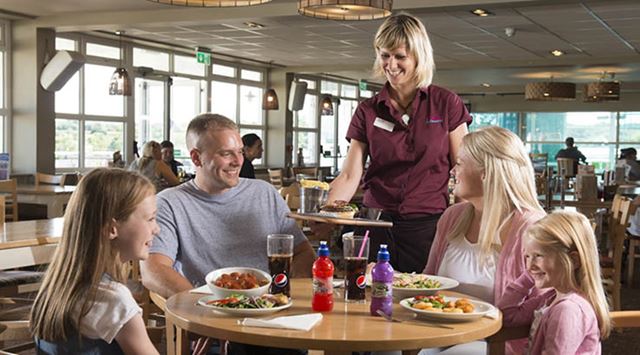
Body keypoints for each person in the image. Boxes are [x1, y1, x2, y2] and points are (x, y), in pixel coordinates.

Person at [140, 113, 315, 354]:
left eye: (240, 151)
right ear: (196, 157)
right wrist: (206, 309)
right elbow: (153, 270)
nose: (238, 161)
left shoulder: (264, 192)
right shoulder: (170, 202)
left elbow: (303, 251)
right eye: (226, 153)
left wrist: (290, 295)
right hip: (215, 325)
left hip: (274, 320)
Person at [325, 13, 471, 273]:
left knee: (421, 298)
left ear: (418, 56)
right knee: (369, 296)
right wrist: (327, 213)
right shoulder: (367, 111)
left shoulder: (446, 103)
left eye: (400, 56)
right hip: (375, 221)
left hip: (427, 225)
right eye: (384, 55)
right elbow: (350, 175)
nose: (390, 65)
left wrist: (464, 224)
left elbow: (464, 169)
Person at [424, 126, 547, 354]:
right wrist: (389, 278)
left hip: (498, 341)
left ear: (486, 172)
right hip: (438, 332)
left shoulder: (532, 227)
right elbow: (428, 281)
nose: (452, 170)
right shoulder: (452, 217)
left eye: (460, 163)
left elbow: (546, 305)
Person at [30, 168, 160, 354]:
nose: (157, 229)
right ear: (111, 228)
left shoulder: (54, 288)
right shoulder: (114, 300)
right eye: (151, 219)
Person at [500, 211, 611, 353]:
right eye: (527, 256)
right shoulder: (551, 297)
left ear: (573, 260)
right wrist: (531, 275)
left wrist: (536, 272)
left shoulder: (567, 310)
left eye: (538, 256)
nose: (529, 265)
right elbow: (507, 316)